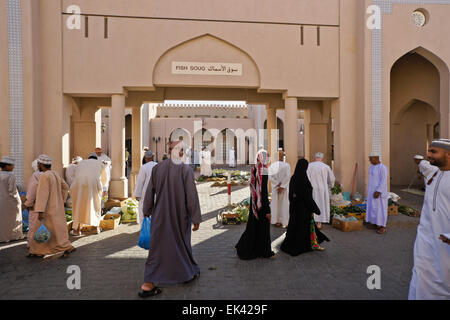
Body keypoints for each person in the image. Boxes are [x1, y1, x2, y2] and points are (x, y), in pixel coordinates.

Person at [139, 141, 202, 298]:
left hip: (160, 215)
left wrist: (146, 210)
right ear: (180, 152)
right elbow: (191, 196)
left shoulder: (157, 168)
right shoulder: (185, 170)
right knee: (181, 243)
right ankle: (185, 273)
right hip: (180, 215)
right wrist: (196, 218)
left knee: (157, 248)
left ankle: (151, 282)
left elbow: (149, 192)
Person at [409, 139, 450, 300]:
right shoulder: (432, 172)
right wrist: (418, 161)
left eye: (433, 152)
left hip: (445, 243)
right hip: (425, 239)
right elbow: (422, 164)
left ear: (448, 154)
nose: (428, 155)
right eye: (429, 151)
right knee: (420, 277)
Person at [29, 155, 75, 258]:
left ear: (40, 164)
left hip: (47, 209)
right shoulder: (55, 174)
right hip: (56, 208)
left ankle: (41, 250)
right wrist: (61, 200)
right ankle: (38, 251)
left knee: (41, 230)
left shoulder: (44, 176)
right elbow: (65, 187)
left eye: (38, 164)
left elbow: (42, 194)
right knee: (55, 231)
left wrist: (40, 210)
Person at [281, 158, 329, 256]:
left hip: (295, 210)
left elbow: (292, 195)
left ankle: (312, 244)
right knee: (305, 229)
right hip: (304, 211)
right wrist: (315, 208)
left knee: (296, 228)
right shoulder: (304, 180)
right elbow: (307, 197)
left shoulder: (294, 178)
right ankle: (308, 245)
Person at [235, 150, 275, 260]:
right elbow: (264, 192)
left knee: (253, 227)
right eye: (268, 157)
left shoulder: (254, 168)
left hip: (254, 202)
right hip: (261, 204)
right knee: (263, 228)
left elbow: (254, 188)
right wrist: (267, 210)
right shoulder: (264, 170)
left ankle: (241, 245)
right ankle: (265, 252)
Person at [70, 154, 108, 235]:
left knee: (79, 207)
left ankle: (76, 230)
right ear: (96, 159)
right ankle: (95, 228)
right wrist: (102, 189)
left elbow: (76, 174)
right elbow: (104, 179)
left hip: (78, 185)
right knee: (95, 206)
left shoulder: (81, 163)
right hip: (93, 185)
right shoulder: (99, 163)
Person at [307, 152, 335, 229]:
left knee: (312, 204)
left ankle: (311, 221)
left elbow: (306, 177)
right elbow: (331, 179)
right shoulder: (326, 167)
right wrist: (329, 187)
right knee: (321, 205)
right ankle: (319, 223)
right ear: (322, 158)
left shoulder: (309, 166)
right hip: (323, 189)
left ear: (315, 158)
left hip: (312, 188)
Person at [0, 156, 24, 243]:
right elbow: (12, 191)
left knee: (2, 220)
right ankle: (13, 236)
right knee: (12, 220)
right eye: (12, 165)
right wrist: (18, 202)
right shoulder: (10, 176)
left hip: (1, 201)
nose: (13, 167)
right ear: (6, 166)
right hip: (10, 202)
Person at [365, 153, 389, 234]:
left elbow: (383, 181)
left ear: (376, 158)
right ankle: (375, 223)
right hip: (371, 191)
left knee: (381, 209)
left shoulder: (383, 168)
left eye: (370, 159)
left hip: (379, 192)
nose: (369, 160)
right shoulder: (371, 167)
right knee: (373, 208)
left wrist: (378, 191)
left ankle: (383, 226)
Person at [133, 150, 158, 225]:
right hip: (157, 192)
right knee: (155, 209)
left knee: (143, 210)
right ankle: (155, 228)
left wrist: (137, 194)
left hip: (145, 192)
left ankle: (144, 228)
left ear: (145, 158)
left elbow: (140, 181)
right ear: (153, 157)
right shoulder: (158, 166)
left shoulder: (144, 167)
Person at [268, 149, 290, 228]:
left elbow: (270, 177)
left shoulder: (272, 166)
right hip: (284, 188)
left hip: (275, 188)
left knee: (275, 204)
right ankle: (284, 221)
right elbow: (288, 177)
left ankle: (276, 221)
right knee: (284, 204)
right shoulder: (287, 165)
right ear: (282, 156)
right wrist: (282, 186)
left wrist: (277, 184)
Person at [24, 159, 43, 247]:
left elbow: (32, 191)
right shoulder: (52, 174)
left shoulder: (36, 175)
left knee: (34, 224)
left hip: (36, 205)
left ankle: (33, 243)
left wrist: (28, 203)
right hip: (49, 205)